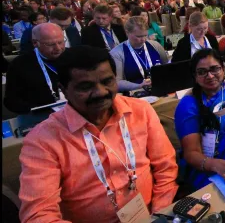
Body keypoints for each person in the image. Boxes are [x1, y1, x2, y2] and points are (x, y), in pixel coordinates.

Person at [19, 45, 178, 222]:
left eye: (107, 81)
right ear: (63, 89)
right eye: (86, 87)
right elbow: (38, 214)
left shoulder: (141, 111)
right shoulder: (42, 140)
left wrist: (159, 215)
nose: (101, 92)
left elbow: (165, 168)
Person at [175, 49, 225, 189]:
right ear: (195, 76)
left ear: (223, 68)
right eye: (202, 72)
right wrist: (218, 165)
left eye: (214, 69)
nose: (209, 76)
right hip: (209, 168)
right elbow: (191, 153)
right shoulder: (188, 106)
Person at [4, 23, 65, 114]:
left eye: (60, 42)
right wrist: (36, 110)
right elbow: (11, 101)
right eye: (50, 44)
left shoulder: (73, 56)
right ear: (35, 43)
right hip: (40, 116)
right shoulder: (19, 64)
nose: (58, 48)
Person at [110, 17, 168, 92]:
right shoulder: (117, 53)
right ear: (127, 33)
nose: (143, 39)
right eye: (139, 36)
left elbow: (167, 67)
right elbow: (117, 83)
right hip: (135, 93)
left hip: (160, 89)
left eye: (145, 35)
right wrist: (139, 86)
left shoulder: (155, 46)